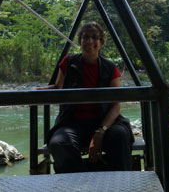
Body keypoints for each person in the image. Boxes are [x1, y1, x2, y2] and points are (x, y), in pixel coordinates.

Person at [39, 22, 133, 173]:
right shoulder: (68, 63)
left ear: (101, 43)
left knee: (120, 136)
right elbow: (58, 88)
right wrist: (38, 94)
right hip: (72, 122)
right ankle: (81, 182)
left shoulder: (110, 69)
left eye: (94, 37)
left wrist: (101, 131)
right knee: (59, 143)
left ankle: (121, 183)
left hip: (104, 121)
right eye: (85, 37)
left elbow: (116, 104)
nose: (89, 41)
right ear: (80, 41)